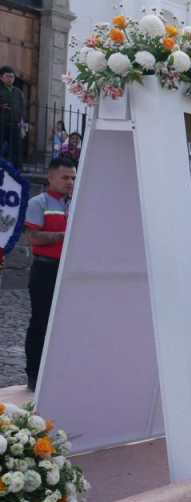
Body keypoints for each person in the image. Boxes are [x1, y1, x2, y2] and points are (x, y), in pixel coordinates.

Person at [23, 156, 76, 391]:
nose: (70, 182)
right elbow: (32, 237)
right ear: (51, 177)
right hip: (45, 269)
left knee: (68, 325)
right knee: (40, 323)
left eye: (73, 177)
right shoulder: (38, 203)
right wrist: (63, 236)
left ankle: (62, 373)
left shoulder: (75, 202)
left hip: (70, 270)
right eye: (65, 177)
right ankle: (33, 375)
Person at [0, 66, 25, 168]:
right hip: (1, 123)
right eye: (8, 76)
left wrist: (22, 123)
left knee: (16, 148)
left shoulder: (18, 92)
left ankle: (17, 168)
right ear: (1, 77)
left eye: (12, 77)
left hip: (15, 124)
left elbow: (22, 108)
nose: (10, 79)